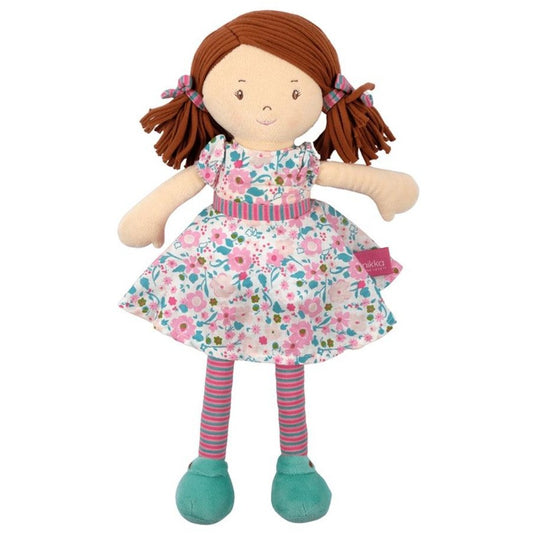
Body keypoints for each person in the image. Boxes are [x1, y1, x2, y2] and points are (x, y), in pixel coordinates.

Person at [118, 10, 418, 524]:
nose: (263, 106)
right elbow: (178, 188)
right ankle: (209, 464)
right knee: (220, 353)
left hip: (299, 270)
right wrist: (149, 219)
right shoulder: (217, 157)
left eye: (294, 92)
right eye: (239, 92)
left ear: (322, 97)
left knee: (290, 356)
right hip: (222, 273)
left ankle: (295, 464)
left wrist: (384, 187)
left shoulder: (303, 160)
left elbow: (352, 178)